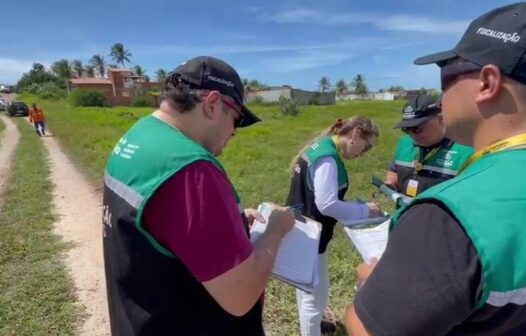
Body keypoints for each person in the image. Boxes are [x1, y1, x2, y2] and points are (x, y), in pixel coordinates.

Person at [346, 3, 526, 335]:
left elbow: (367, 330)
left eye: (447, 76)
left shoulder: (450, 215)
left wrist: (371, 286)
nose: (441, 98)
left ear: (488, 82)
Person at [102, 56, 296, 336]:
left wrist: (235, 223)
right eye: (236, 119)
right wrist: (276, 229)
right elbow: (240, 296)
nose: (234, 132)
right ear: (213, 103)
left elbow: (166, 223)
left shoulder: (139, 136)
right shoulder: (191, 169)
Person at [285, 116, 382, 336]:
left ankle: (314, 325)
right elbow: (327, 204)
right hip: (311, 236)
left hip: (301, 230)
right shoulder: (328, 158)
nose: (363, 154)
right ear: (356, 134)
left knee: (306, 289)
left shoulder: (320, 146)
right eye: (366, 147)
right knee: (314, 297)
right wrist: (365, 210)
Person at [385, 94, 473, 199]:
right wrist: (390, 182)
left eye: (417, 129)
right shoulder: (405, 143)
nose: (412, 135)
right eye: (406, 129)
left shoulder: (466, 151)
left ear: (441, 119)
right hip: (406, 212)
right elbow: (393, 171)